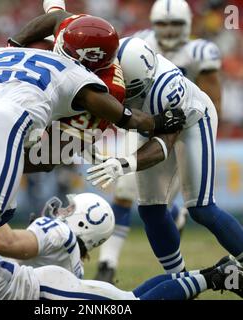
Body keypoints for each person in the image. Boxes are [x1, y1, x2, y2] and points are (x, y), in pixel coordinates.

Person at [0, 44, 185, 284]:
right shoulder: (79, 77)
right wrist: (158, 123)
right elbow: (124, 117)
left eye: (69, 208)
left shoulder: (16, 54)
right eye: (69, 207)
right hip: (4, 126)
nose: (61, 210)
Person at [86, 37, 243, 277]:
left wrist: (123, 164)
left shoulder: (165, 88)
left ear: (144, 82)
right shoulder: (115, 67)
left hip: (192, 121)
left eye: (129, 88)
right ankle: (181, 280)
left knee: (201, 208)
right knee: (150, 210)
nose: (121, 92)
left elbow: (163, 145)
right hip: (148, 125)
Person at [0, 203, 242, 300]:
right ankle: (215, 273)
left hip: (46, 294)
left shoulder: (57, 230)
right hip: (50, 285)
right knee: (131, 299)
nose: (62, 207)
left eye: (71, 207)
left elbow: (4, 245)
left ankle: (216, 276)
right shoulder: (63, 236)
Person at [0, 193, 115, 279]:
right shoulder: (77, 267)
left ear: (83, 223)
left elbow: (4, 243)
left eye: (70, 209)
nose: (62, 211)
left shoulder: (61, 233)